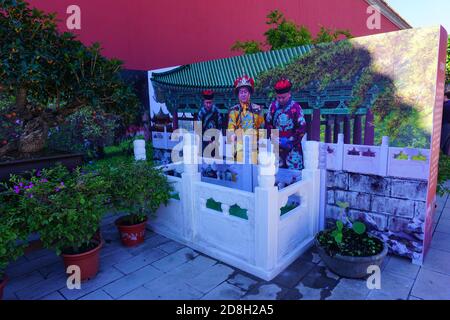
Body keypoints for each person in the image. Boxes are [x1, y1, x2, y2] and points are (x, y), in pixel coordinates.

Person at [266, 78, 307, 170]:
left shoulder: (296, 107)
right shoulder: (272, 107)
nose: (280, 100)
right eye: (278, 97)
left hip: (293, 146)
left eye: (283, 97)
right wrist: (275, 139)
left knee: (294, 177)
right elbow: (268, 124)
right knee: (276, 175)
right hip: (277, 145)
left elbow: (302, 127)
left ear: (289, 94)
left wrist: (291, 141)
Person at [227, 75, 265, 163]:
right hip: (239, 145)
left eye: (245, 92)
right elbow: (230, 129)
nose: (243, 94)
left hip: (254, 146)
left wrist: (261, 146)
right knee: (239, 172)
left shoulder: (258, 109)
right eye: (241, 92)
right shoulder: (234, 110)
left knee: (253, 172)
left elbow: (262, 129)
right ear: (238, 95)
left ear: (249, 93)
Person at [198, 90, 222, 157]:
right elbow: (198, 129)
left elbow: (219, 126)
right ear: (204, 102)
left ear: (212, 102)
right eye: (207, 103)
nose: (208, 105)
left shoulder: (217, 112)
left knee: (214, 159)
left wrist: (214, 139)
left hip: (214, 140)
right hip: (204, 140)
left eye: (210, 103)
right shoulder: (201, 113)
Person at [441, 87, 450, 155]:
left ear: (445, 96)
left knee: (442, 141)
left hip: (445, 125)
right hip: (448, 124)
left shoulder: (446, 105)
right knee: (447, 141)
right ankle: (446, 153)